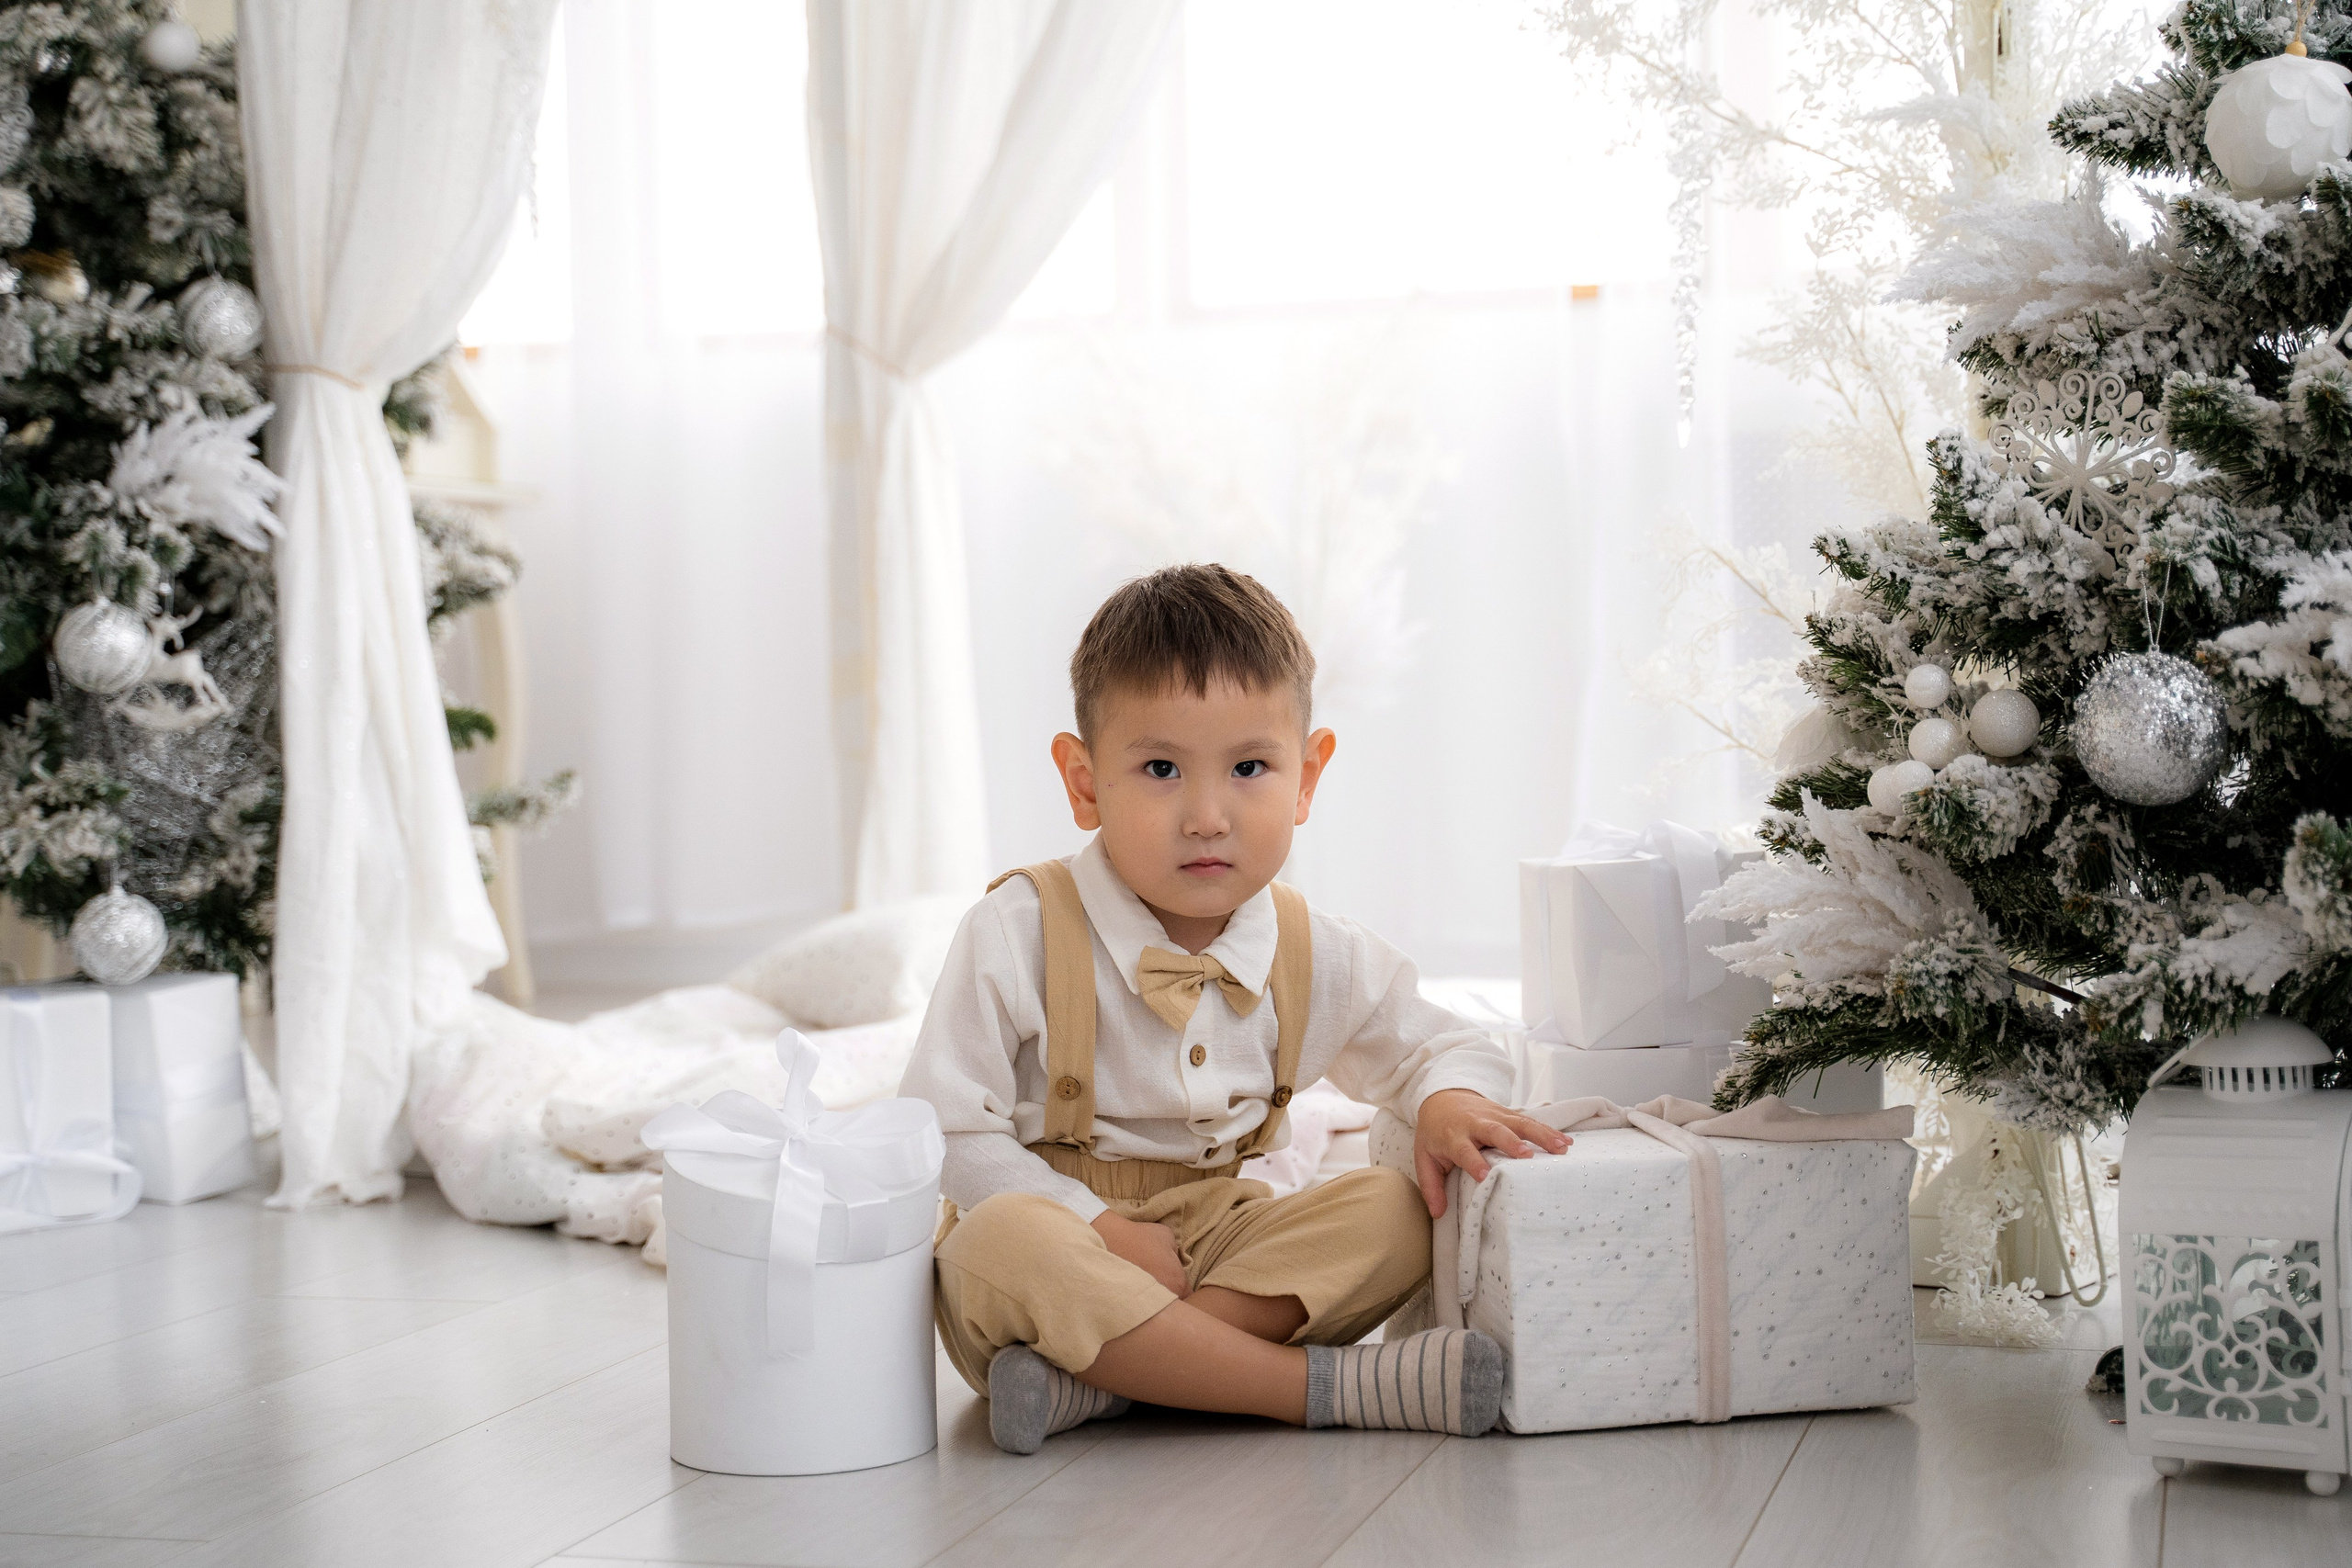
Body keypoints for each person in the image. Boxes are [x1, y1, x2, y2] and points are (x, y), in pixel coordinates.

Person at [901, 563, 1571, 1455]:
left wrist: (1445, 1099)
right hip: (1061, 1246)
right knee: (1000, 1242)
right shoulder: (1018, 931)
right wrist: (1092, 1226)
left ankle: (1103, 1385)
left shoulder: (1312, 949)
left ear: (1307, 775)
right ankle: (1308, 1389)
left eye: (1250, 767)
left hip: (1218, 1237)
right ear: (1085, 780)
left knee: (1394, 1211)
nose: (1207, 815)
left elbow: (1442, 1046)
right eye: (1161, 769)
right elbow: (943, 1130)